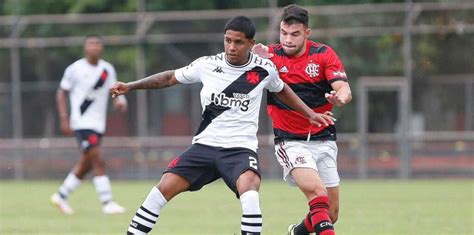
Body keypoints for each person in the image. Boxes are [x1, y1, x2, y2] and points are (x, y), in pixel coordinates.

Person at [110, 16, 334, 235]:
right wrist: (130, 86)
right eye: (228, 40)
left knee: (251, 193)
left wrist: (310, 113)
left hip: (239, 150)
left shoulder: (264, 69)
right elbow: (169, 78)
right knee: (161, 190)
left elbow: (282, 89)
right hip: (204, 147)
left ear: (250, 43)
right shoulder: (207, 65)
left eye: (238, 42)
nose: (231, 47)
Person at [252, 4, 352, 235]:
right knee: (318, 193)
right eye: (283, 33)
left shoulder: (323, 54)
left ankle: (295, 233)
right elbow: (239, 71)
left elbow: (343, 87)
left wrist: (339, 97)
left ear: (307, 33)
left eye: (295, 34)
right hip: (290, 141)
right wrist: (253, 61)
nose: (288, 40)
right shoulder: (269, 56)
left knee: (332, 213)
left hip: (324, 139)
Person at [50, 35, 128, 215]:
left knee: (86, 163)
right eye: (91, 44)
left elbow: (116, 91)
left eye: (97, 44)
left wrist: (120, 102)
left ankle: (60, 196)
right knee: (98, 158)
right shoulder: (74, 69)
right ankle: (107, 202)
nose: (94, 47)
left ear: (102, 48)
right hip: (81, 122)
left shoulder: (107, 69)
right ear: (85, 48)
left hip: (98, 123)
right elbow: (61, 93)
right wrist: (64, 118)